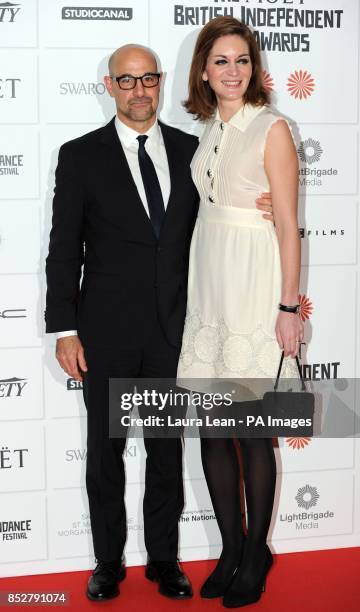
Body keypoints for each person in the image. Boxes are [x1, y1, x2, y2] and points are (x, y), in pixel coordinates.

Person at [45, 43, 274, 603]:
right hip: (104, 332)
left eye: (148, 79)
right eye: (127, 81)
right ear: (110, 86)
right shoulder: (80, 156)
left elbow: (224, 212)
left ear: (161, 81)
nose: (139, 91)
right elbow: (61, 250)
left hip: (176, 331)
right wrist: (63, 329)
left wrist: (263, 205)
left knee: (166, 449)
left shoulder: (193, 151)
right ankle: (106, 563)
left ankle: (165, 561)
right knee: (105, 452)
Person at [177, 17, 304, 608]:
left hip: (255, 283)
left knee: (252, 432)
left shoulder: (273, 127)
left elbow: (287, 226)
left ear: (254, 68)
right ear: (204, 69)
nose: (233, 71)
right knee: (210, 426)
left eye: (242, 60)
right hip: (210, 283)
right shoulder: (207, 127)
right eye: (221, 61)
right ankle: (231, 546)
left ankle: (257, 552)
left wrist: (287, 306)